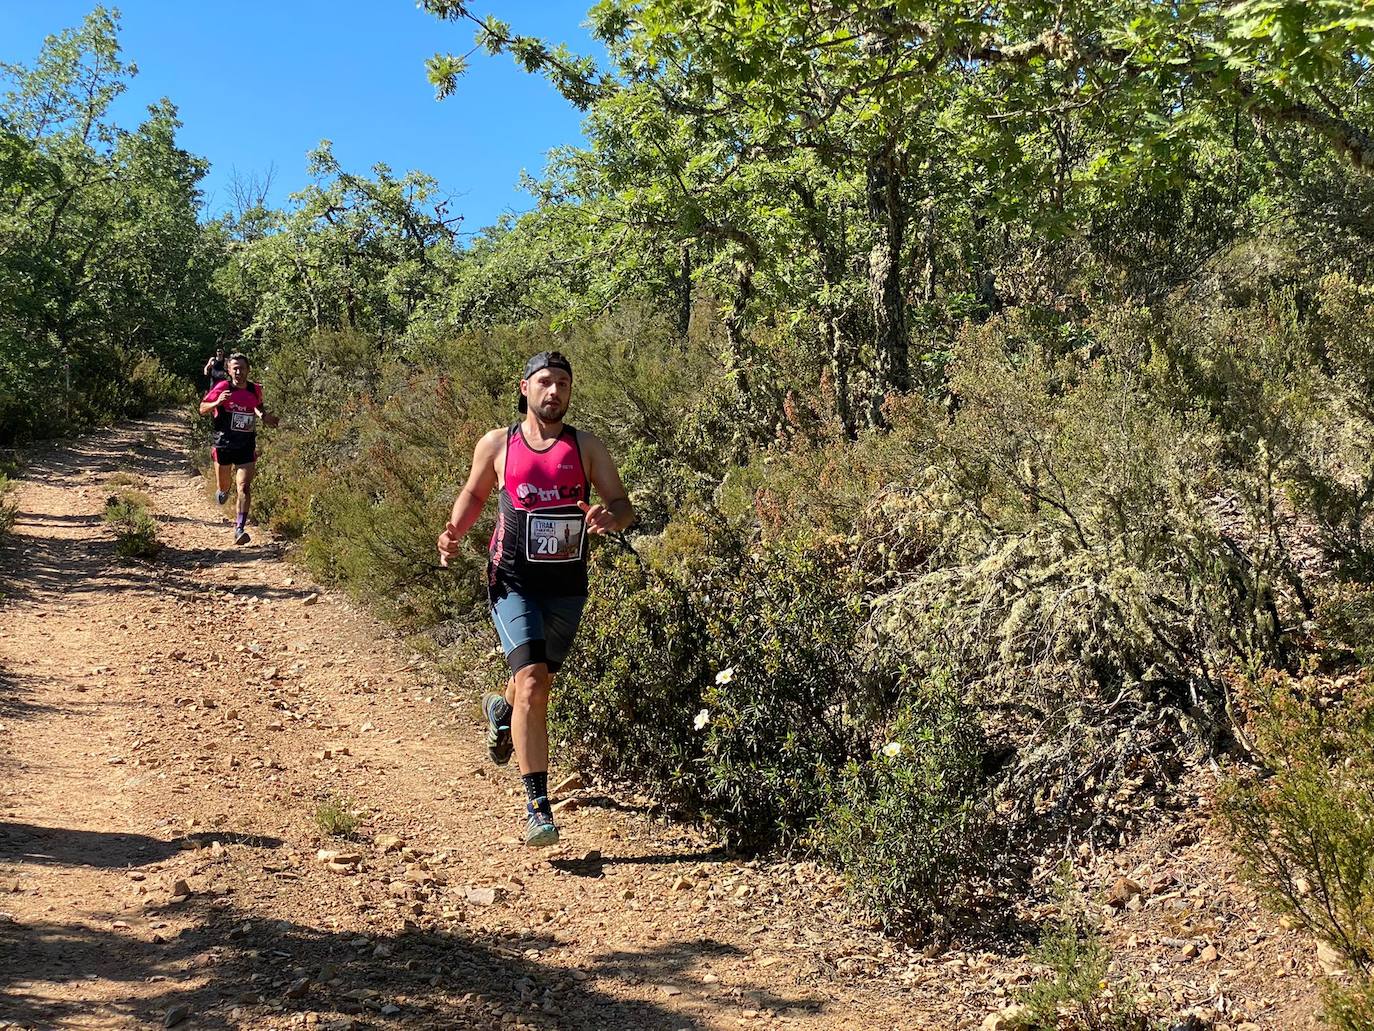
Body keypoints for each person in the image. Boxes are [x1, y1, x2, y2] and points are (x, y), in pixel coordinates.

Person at [436, 351, 634, 847]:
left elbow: (621, 503)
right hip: (512, 580)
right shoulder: (499, 443)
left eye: (563, 383)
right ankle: (537, 806)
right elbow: (476, 493)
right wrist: (453, 532)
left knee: (534, 684)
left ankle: (500, 714)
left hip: (567, 585)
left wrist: (613, 518)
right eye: (545, 382)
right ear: (524, 388)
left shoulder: (586, 447)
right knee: (533, 683)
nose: (555, 391)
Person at [198, 353, 278, 545]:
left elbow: (257, 406)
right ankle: (221, 491)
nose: (238, 372)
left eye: (242, 368)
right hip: (224, 444)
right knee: (224, 488)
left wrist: (263, 416)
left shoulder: (255, 389)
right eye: (234, 368)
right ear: (228, 370)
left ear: (248, 370)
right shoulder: (223, 387)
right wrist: (218, 402)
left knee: (244, 486)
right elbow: (202, 409)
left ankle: (239, 529)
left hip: (245, 444)